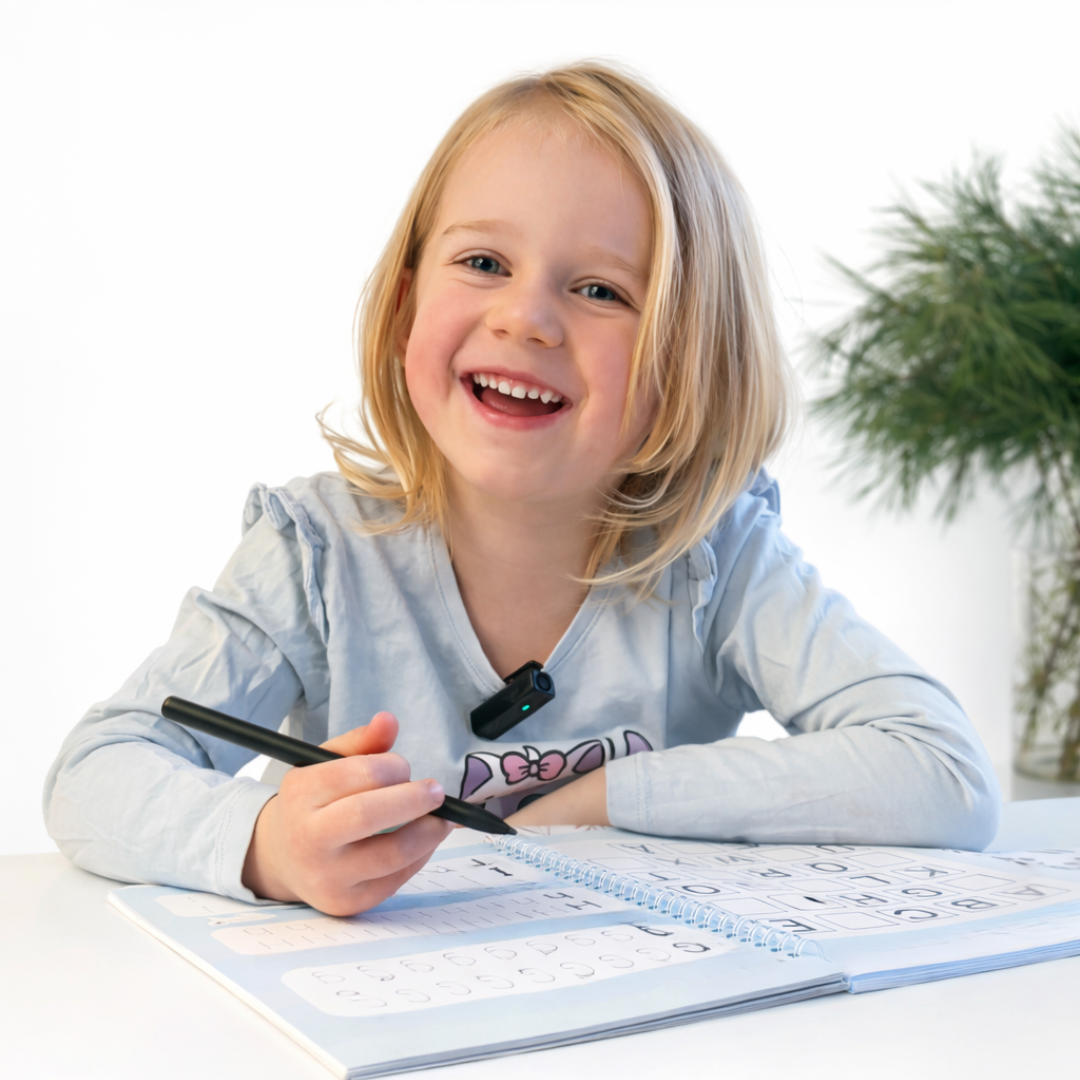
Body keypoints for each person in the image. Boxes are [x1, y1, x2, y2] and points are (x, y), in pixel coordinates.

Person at [44, 63, 1001, 918]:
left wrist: (603, 800)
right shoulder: (314, 553)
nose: (526, 318)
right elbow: (96, 774)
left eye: (601, 290)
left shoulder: (717, 557)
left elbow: (942, 771)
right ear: (407, 304)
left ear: (688, 362)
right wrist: (269, 848)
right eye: (484, 263)